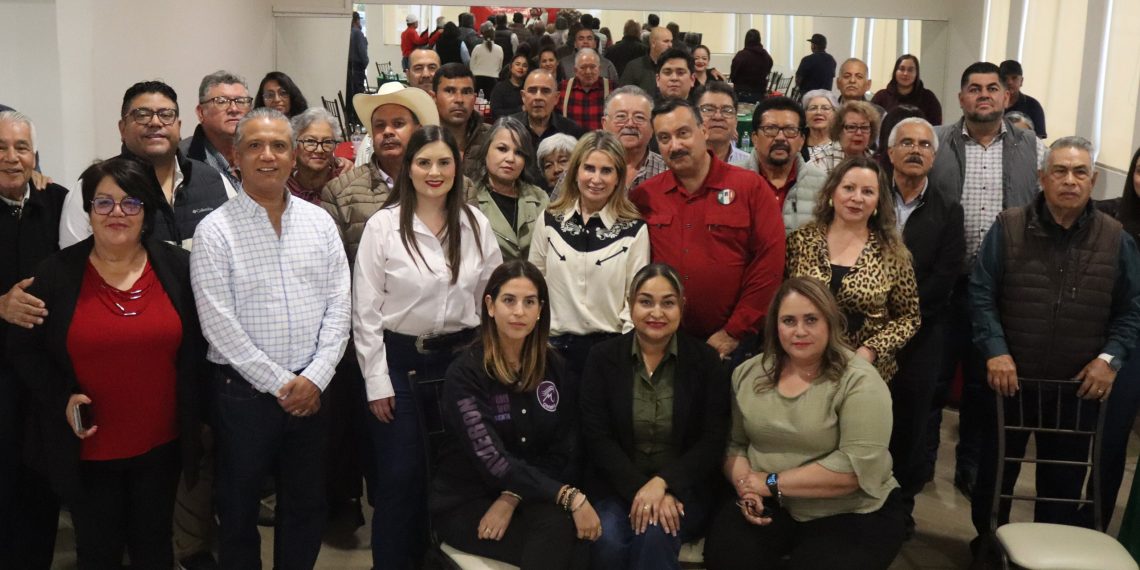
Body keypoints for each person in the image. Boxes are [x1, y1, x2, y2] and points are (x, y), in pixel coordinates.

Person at [11, 156, 207, 570]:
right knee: (98, 552)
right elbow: (25, 350)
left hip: (162, 446)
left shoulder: (178, 267)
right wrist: (62, 397)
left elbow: (197, 350)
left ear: (147, 211)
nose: (117, 212)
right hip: (88, 450)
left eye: (131, 202)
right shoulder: (56, 274)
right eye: (104, 202)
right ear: (88, 211)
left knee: (155, 549)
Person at [190, 108, 352, 569]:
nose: (268, 156)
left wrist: (315, 377)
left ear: (293, 156)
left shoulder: (319, 223)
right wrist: (284, 384)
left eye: (279, 146)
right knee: (238, 506)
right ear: (235, 157)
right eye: (255, 146)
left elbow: (340, 304)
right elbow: (218, 324)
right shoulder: (214, 231)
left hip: (313, 388)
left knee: (306, 504)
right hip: (244, 395)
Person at [969, 137, 1140, 548]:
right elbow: (981, 294)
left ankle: (1049, 552)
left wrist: (1109, 359)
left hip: (1075, 389)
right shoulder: (1008, 227)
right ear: (1042, 178)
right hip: (1009, 381)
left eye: (1080, 172)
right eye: (1059, 171)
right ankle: (987, 547)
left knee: (1061, 485)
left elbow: (1132, 310)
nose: (1070, 180)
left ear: (1093, 181)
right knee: (994, 476)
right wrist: (995, 351)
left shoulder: (1116, 239)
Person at [353, 125, 503, 569]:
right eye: (424, 162)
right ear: (408, 167)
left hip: (461, 364)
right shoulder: (383, 226)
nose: (434, 172)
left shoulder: (475, 224)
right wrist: (377, 381)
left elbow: (492, 298)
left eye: (443, 162)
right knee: (401, 476)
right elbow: (365, 312)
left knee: (454, 475)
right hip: (400, 365)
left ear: (458, 168)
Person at [703, 277, 906, 570]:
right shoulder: (748, 373)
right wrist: (746, 487)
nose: (800, 331)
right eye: (789, 321)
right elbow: (735, 444)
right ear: (775, 326)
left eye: (811, 319)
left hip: (850, 510)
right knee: (725, 556)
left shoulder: (860, 381)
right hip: (769, 501)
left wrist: (770, 483)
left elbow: (854, 471)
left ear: (830, 322)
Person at [925, 61, 1046, 502]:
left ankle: (972, 467)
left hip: (1001, 289)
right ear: (961, 98)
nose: (983, 95)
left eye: (991, 88)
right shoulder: (936, 140)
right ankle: (920, 465)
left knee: (983, 385)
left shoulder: (1032, 148)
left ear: (1006, 96)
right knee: (934, 379)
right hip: (944, 284)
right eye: (974, 88)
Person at [430, 260, 593, 569]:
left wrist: (511, 496)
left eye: (529, 302)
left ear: (540, 310)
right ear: (490, 306)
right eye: (509, 300)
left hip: (526, 495)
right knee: (558, 540)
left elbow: (563, 449)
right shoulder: (465, 374)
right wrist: (568, 496)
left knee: (577, 536)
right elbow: (491, 459)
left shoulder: (555, 367)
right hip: (467, 500)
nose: (519, 311)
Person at [580, 263, 730, 569]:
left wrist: (664, 484)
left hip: (684, 490)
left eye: (668, 303)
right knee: (608, 539)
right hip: (616, 487)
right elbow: (597, 438)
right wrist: (642, 489)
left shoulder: (705, 361)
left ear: (682, 306)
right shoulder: (602, 358)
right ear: (630, 303)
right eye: (646, 302)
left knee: (656, 532)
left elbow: (712, 440)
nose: (656, 313)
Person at [631, 100, 785, 363]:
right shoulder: (644, 196)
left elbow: (769, 265)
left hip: (735, 345)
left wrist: (734, 331)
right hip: (663, 342)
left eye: (683, 133)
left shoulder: (750, 188)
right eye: (664, 138)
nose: (675, 146)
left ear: (703, 131)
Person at [884, 118, 965, 535]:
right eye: (906, 143)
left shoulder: (949, 210)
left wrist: (900, 316)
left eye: (924, 145)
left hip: (921, 335)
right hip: (864, 333)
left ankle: (899, 507)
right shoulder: (869, 196)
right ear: (890, 152)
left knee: (910, 425)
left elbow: (945, 276)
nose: (915, 150)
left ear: (934, 157)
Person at [0, 110, 67, 570]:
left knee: (41, 487)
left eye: (21, 147)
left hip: (45, 377)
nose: (11, 157)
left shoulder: (58, 202)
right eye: (1, 148)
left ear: (35, 155)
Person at [785, 156, 920, 382]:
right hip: (803, 365)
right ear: (832, 192)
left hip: (864, 374)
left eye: (868, 192)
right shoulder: (800, 241)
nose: (857, 198)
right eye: (848, 188)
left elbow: (909, 318)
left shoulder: (893, 254)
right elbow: (781, 302)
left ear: (878, 201)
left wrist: (871, 350)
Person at [529, 131, 650, 376]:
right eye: (589, 168)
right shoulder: (550, 220)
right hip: (553, 350)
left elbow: (635, 298)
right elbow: (534, 284)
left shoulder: (635, 229)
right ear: (575, 172)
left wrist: (623, 352)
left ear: (618, 178)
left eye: (606, 171)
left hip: (610, 352)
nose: (596, 179)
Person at [60, 80, 233, 249]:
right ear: (122, 128)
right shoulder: (92, 187)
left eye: (166, 115)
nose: (155, 122)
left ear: (178, 127)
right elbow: (74, 262)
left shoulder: (215, 181)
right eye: (142, 115)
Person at [322, 81, 440, 265]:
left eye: (398, 124)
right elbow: (335, 266)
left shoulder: (451, 185)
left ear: (418, 130)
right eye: (379, 125)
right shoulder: (339, 192)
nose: (387, 132)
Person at [1095, 147, 1140, 530]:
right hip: (1119, 340)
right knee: (1110, 437)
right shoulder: (1109, 215)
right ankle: (1094, 520)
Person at [743, 96, 827, 232]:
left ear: (801, 141)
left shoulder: (822, 184)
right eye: (770, 129)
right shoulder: (731, 179)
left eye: (790, 130)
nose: (780, 138)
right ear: (755, 138)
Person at [470, 117, 548, 260]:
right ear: (486, 150)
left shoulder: (540, 197)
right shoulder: (470, 198)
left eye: (518, 153)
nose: (510, 158)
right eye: (502, 149)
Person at [179, 70, 251, 190]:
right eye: (222, 101)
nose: (234, 109)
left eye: (241, 101)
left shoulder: (261, 153)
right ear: (201, 112)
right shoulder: (182, 159)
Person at [602, 86, 668, 192]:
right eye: (621, 116)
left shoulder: (668, 171)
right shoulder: (585, 168)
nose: (630, 124)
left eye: (639, 117)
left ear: (652, 126)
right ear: (605, 124)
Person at [510, 69, 586, 149]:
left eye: (545, 91)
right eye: (532, 91)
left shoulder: (571, 131)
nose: (538, 97)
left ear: (556, 98)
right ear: (523, 96)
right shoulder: (508, 127)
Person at [287, 107, 348, 205]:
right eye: (310, 141)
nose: (320, 150)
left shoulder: (345, 181)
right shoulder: (283, 187)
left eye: (327, 142)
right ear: (295, 144)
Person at [433, 63, 492, 163]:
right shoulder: (420, 138)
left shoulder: (492, 137)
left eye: (466, 92)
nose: (459, 99)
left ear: (474, 99)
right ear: (434, 97)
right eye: (450, 91)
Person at [808, 100, 879, 175]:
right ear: (839, 130)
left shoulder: (877, 160)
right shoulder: (818, 159)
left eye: (864, 128)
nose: (859, 133)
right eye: (851, 127)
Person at [871, 55, 943, 126]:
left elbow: (936, 127)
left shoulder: (928, 98)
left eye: (910, 70)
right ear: (895, 72)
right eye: (902, 69)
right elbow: (871, 124)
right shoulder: (881, 97)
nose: (905, 73)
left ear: (916, 73)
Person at [696, 82, 749, 167]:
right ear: (694, 117)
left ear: (736, 121)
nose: (718, 117)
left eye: (727, 110)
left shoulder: (749, 165)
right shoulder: (680, 163)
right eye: (708, 109)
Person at [560, 48, 611, 131]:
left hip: (601, 138)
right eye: (583, 67)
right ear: (575, 70)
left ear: (599, 69)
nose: (588, 71)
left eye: (592, 67)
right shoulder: (563, 88)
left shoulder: (612, 88)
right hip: (571, 138)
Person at [999, 59, 1046, 138]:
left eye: (1014, 78)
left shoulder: (1033, 105)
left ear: (1021, 81)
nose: (1009, 82)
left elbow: (1038, 138)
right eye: (1005, 79)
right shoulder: (993, 104)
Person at [622, 27, 674, 95]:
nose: (670, 45)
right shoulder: (634, 67)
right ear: (653, 43)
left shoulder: (675, 66)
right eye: (666, 41)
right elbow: (624, 95)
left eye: (671, 41)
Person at [729, 30, 774, 104]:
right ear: (759, 40)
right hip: (760, 94)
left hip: (741, 94)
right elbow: (769, 68)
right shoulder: (766, 55)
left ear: (746, 40)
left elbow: (733, 75)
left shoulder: (741, 55)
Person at [800, 89, 838, 163]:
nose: (818, 112)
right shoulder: (797, 140)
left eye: (825, 108)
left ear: (835, 114)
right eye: (813, 108)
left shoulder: (843, 142)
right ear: (805, 114)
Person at [491, 53, 530, 121]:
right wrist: (520, 109)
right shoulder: (500, 87)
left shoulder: (529, 88)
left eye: (524, 65)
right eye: (517, 64)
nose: (521, 68)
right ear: (510, 67)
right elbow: (495, 113)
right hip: (505, 125)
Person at [347, 12, 369, 127]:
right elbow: (362, 52)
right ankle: (360, 120)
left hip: (349, 68)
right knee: (358, 94)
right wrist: (365, 63)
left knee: (351, 94)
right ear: (356, 20)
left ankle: (353, 119)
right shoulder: (357, 33)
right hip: (358, 67)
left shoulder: (348, 32)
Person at [471, 23, 505, 98]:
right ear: (494, 36)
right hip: (493, 80)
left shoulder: (477, 48)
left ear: (483, 35)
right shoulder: (499, 49)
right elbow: (500, 67)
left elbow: (471, 65)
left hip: (478, 80)